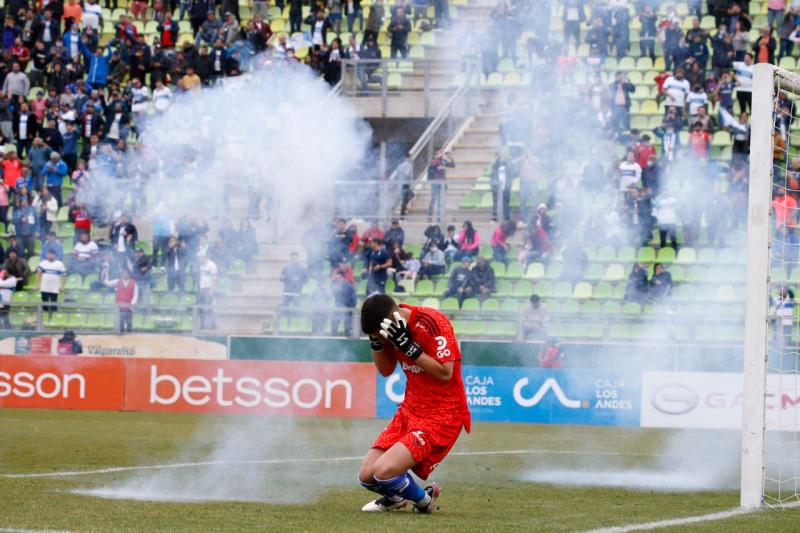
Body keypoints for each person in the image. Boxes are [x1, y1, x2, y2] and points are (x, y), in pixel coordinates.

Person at [358, 293, 470, 513]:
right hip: (411, 409)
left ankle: (425, 501)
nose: (380, 338)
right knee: (367, 476)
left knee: (383, 472)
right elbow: (385, 370)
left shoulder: (432, 321)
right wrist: (377, 342)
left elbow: (445, 372)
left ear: (390, 319)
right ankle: (396, 499)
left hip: (442, 414)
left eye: (378, 334)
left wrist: (408, 345)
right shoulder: (390, 330)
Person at [105, 268, 137, 333]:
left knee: (129, 324)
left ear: (129, 274)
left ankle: (130, 338)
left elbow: (135, 294)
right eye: (123, 273)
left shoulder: (133, 282)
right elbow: (107, 283)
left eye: (126, 273)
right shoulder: (117, 281)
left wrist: (132, 304)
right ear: (121, 274)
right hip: (119, 306)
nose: (125, 275)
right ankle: (121, 337)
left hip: (129, 307)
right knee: (120, 324)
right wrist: (105, 274)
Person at [427, 148, 454, 223]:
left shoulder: (443, 161)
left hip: (442, 184)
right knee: (433, 200)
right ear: (437, 152)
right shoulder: (434, 160)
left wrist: (450, 157)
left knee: (440, 201)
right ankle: (429, 217)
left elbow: (453, 165)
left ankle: (439, 218)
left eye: (443, 151)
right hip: (435, 184)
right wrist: (438, 157)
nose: (442, 153)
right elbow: (432, 166)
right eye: (440, 151)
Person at [36, 247, 65, 313]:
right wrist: (37, 284)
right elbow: (38, 274)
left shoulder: (60, 264)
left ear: (55, 255)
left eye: (51, 254)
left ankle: (53, 319)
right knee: (45, 305)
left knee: (53, 305)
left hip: (54, 288)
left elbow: (63, 276)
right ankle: (45, 319)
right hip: (44, 288)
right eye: (48, 254)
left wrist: (62, 286)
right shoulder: (42, 263)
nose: (49, 256)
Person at [331, 270, 357, 336]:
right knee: (334, 327)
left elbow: (354, 300)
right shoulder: (336, 287)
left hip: (348, 310)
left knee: (347, 329)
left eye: (339, 278)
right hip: (338, 309)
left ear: (343, 278)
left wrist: (349, 308)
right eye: (337, 278)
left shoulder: (349, 286)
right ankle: (334, 340)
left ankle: (348, 341)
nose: (338, 279)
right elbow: (333, 297)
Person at [197, 253, 217, 329]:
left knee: (209, 307)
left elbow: (214, 278)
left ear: (204, 257)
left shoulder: (212, 265)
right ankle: (202, 325)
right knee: (201, 307)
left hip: (208, 288)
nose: (199, 260)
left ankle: (214, 325)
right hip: (202, 288)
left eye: (200, 258)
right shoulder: (201, 265)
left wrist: (212, 289)